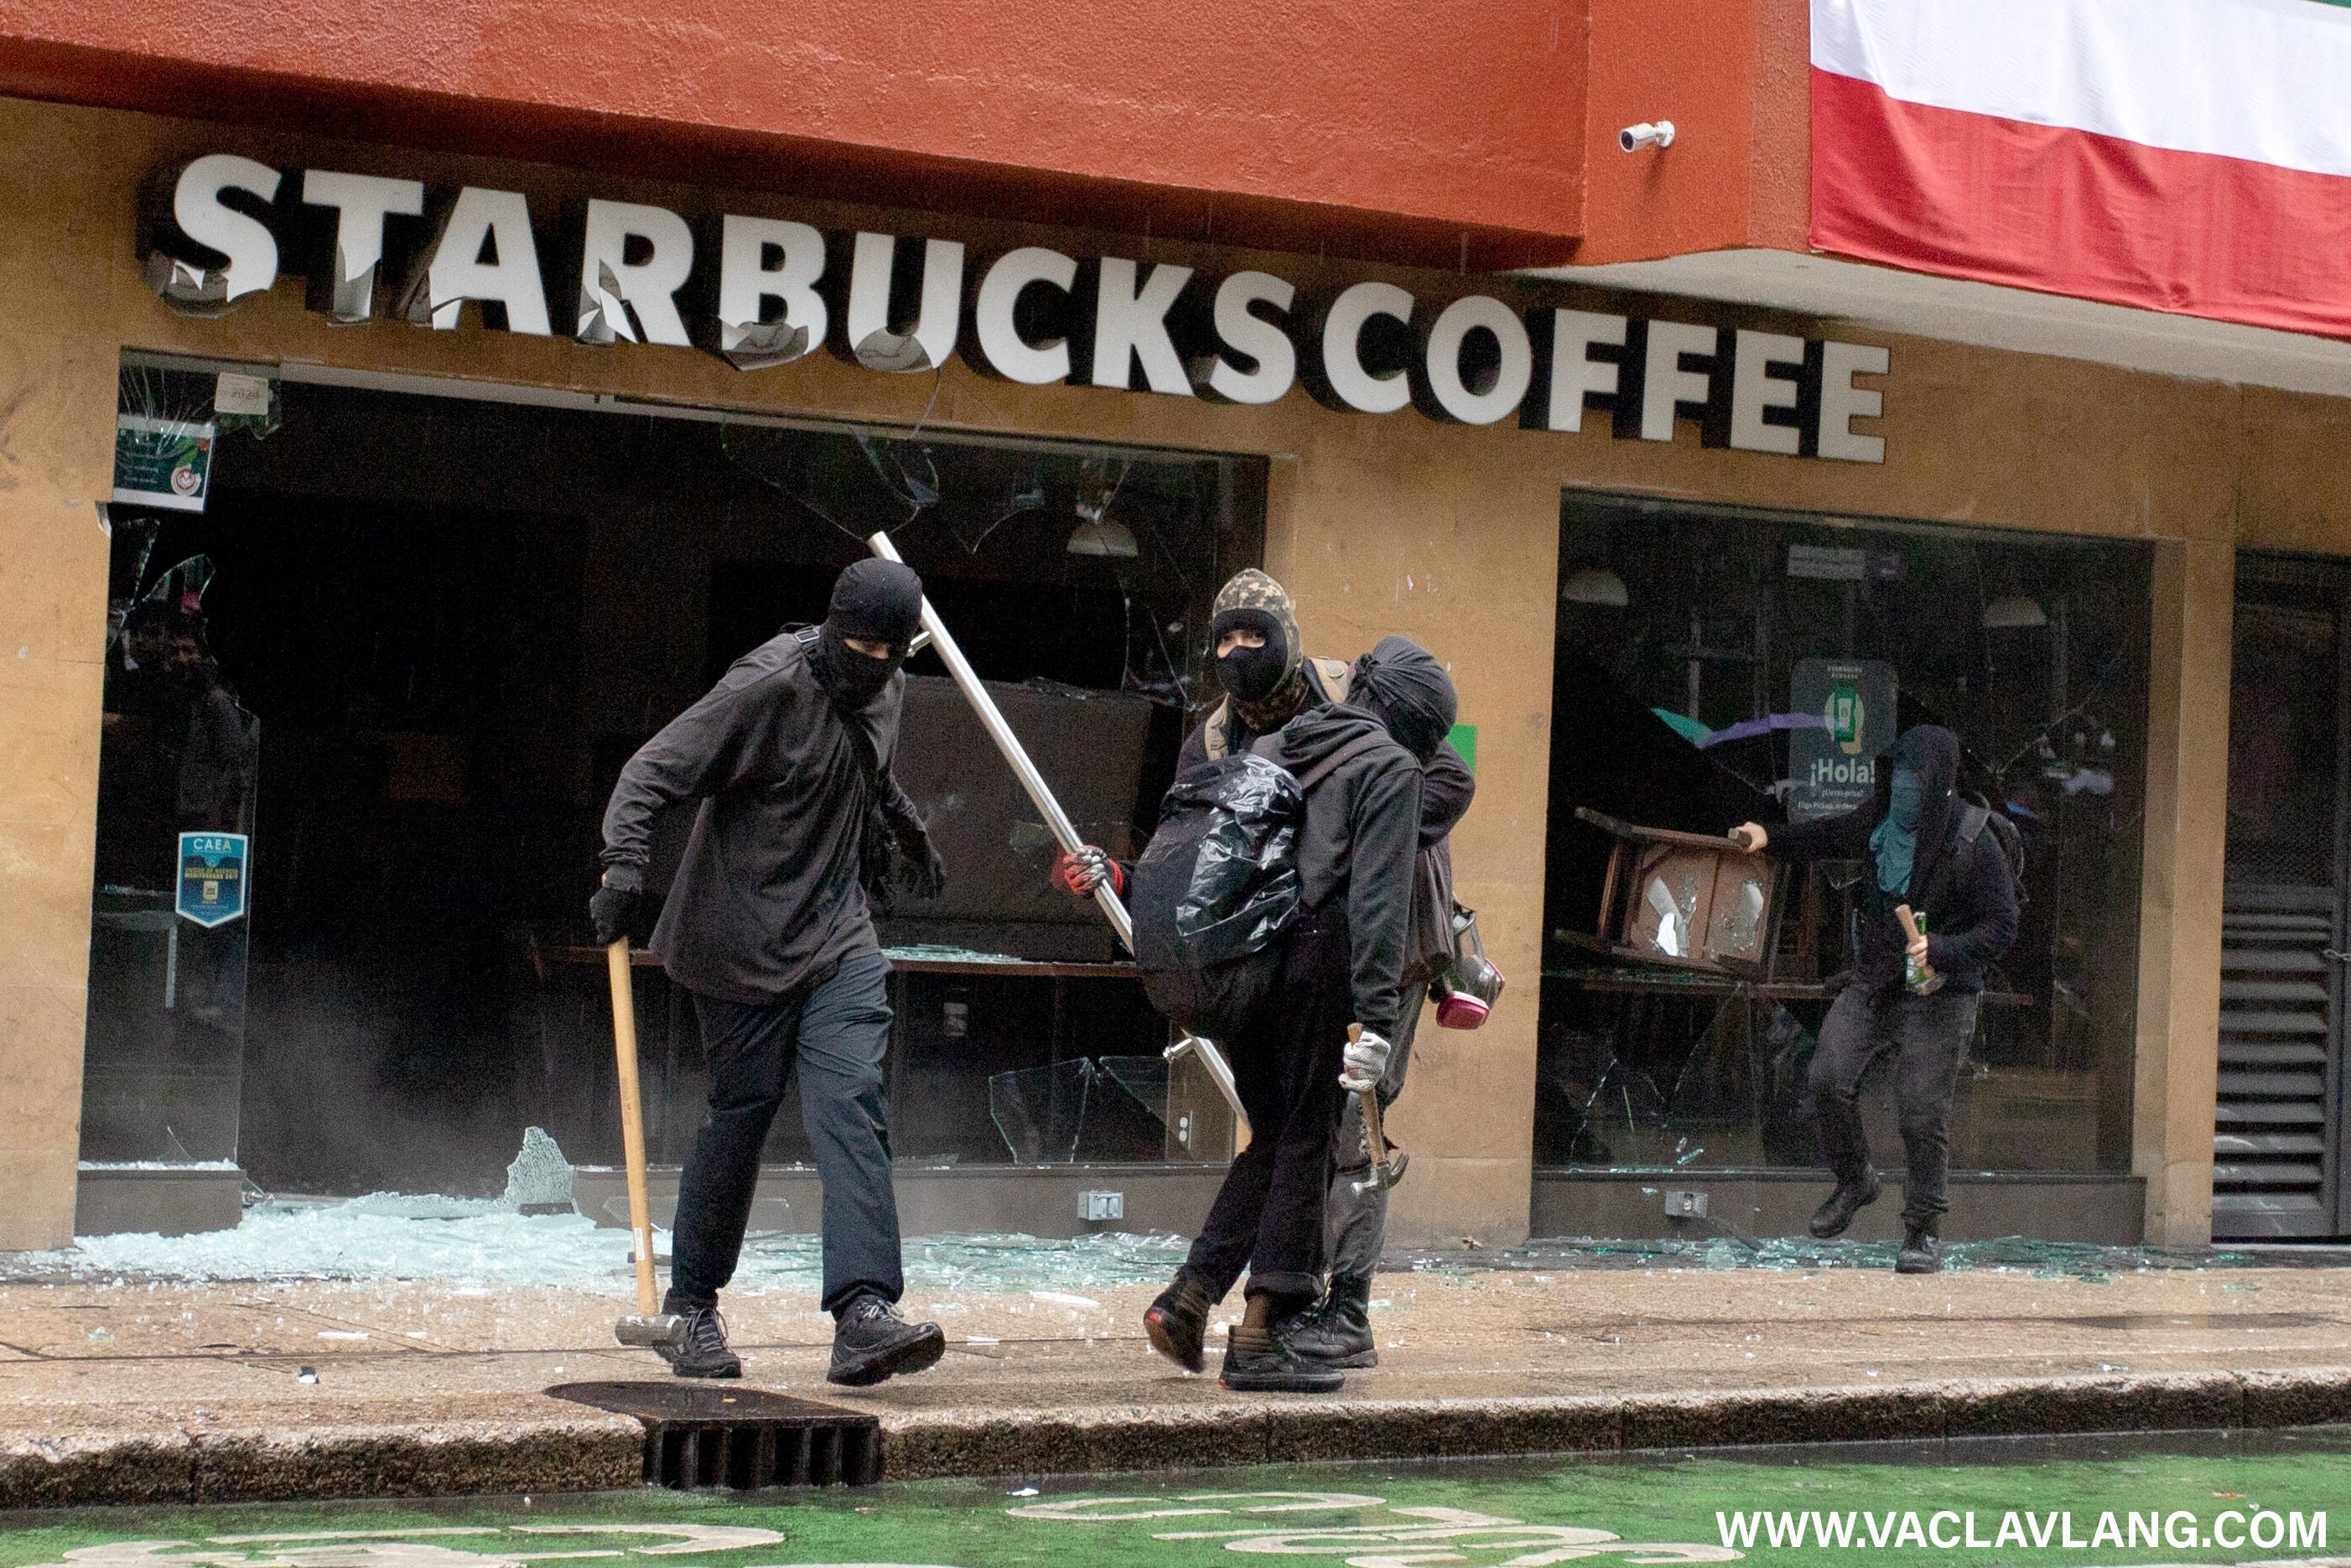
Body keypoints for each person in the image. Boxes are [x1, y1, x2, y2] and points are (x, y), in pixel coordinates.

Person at [591, 558, 950, 1383]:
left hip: (838, 939)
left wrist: (910, 831)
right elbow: (649, 773)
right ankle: (690, 1309)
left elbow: (869, 765)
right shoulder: (764, 690)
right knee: (739, 1119)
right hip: (739, 945)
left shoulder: (886, 683)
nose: (871, 665)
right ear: (830, 628)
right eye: (857, 645)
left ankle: (862, 1309)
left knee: (851, 1101)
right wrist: (622, 872)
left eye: (889, 653)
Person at [1730, 724, 2017, 1274]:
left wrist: (1945, 947)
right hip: (1876, 979)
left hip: (1942, 991)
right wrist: (1768, 836)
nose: (1906, 789)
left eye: (1917, 779)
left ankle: (1923, 1232)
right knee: (1825, 1075)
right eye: (1899, 777)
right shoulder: (1880, 822)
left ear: (1940, 783)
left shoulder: (1972, 843)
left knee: (1920, 1110)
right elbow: (1827, 836)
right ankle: (1855, 1178)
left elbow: (2002, 927)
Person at [1279, 636, 1475, 1370]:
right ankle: (1307, 1288)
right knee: (1320, 1125)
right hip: (1335, 945)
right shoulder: (1316, 720)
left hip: (1394, 953)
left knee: (1361, 1125)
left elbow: (1450, 782)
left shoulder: (1394, 739)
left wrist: (1373, 821)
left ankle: (1351, 1309)